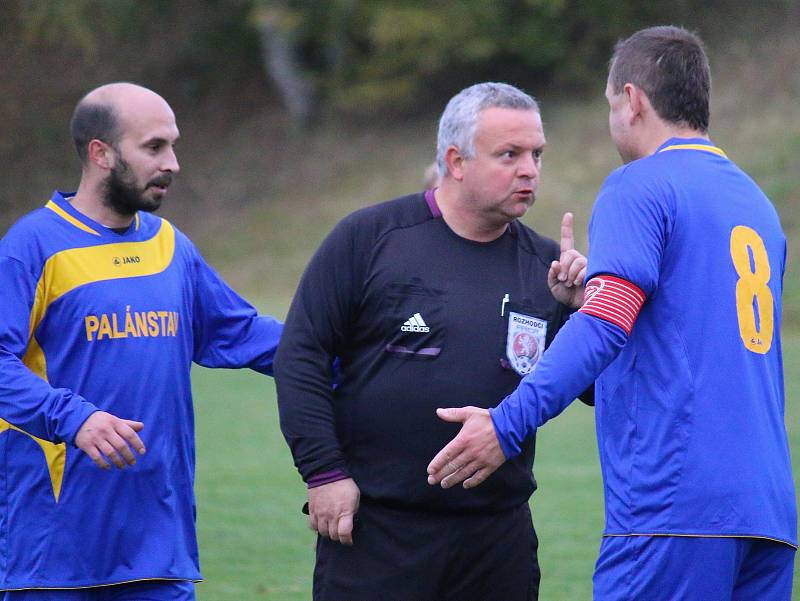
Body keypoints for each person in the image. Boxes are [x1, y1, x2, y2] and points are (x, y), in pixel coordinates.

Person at [427, 26, 797, 600]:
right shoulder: (756, 203)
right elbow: (685, 335)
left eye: (608, 106)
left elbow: (608, 324)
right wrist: (586, 301)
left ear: (632, 101)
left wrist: (506, 424)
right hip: (767, 509)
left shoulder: (641, 184)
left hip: (674, 506)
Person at [275, 82, 591, 601]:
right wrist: (323, 472)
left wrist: (581, 315)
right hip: (377, 533)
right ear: (456, 160)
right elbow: (301, 357)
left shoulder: (548, 268)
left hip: (497, 540)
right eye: (509, 154)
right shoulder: (369, 238)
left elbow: (595, 392)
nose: (530, 169)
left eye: (536, 154)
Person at [0, 83, 282, 600]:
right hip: (53, 552)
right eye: (154, 147)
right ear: (100, 153)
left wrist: (354, 355)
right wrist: (75, 417)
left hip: (158, 543)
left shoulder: (169, 245)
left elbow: (240, 332)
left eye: (173, 145)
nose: (172, 162)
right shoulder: (32, 247)